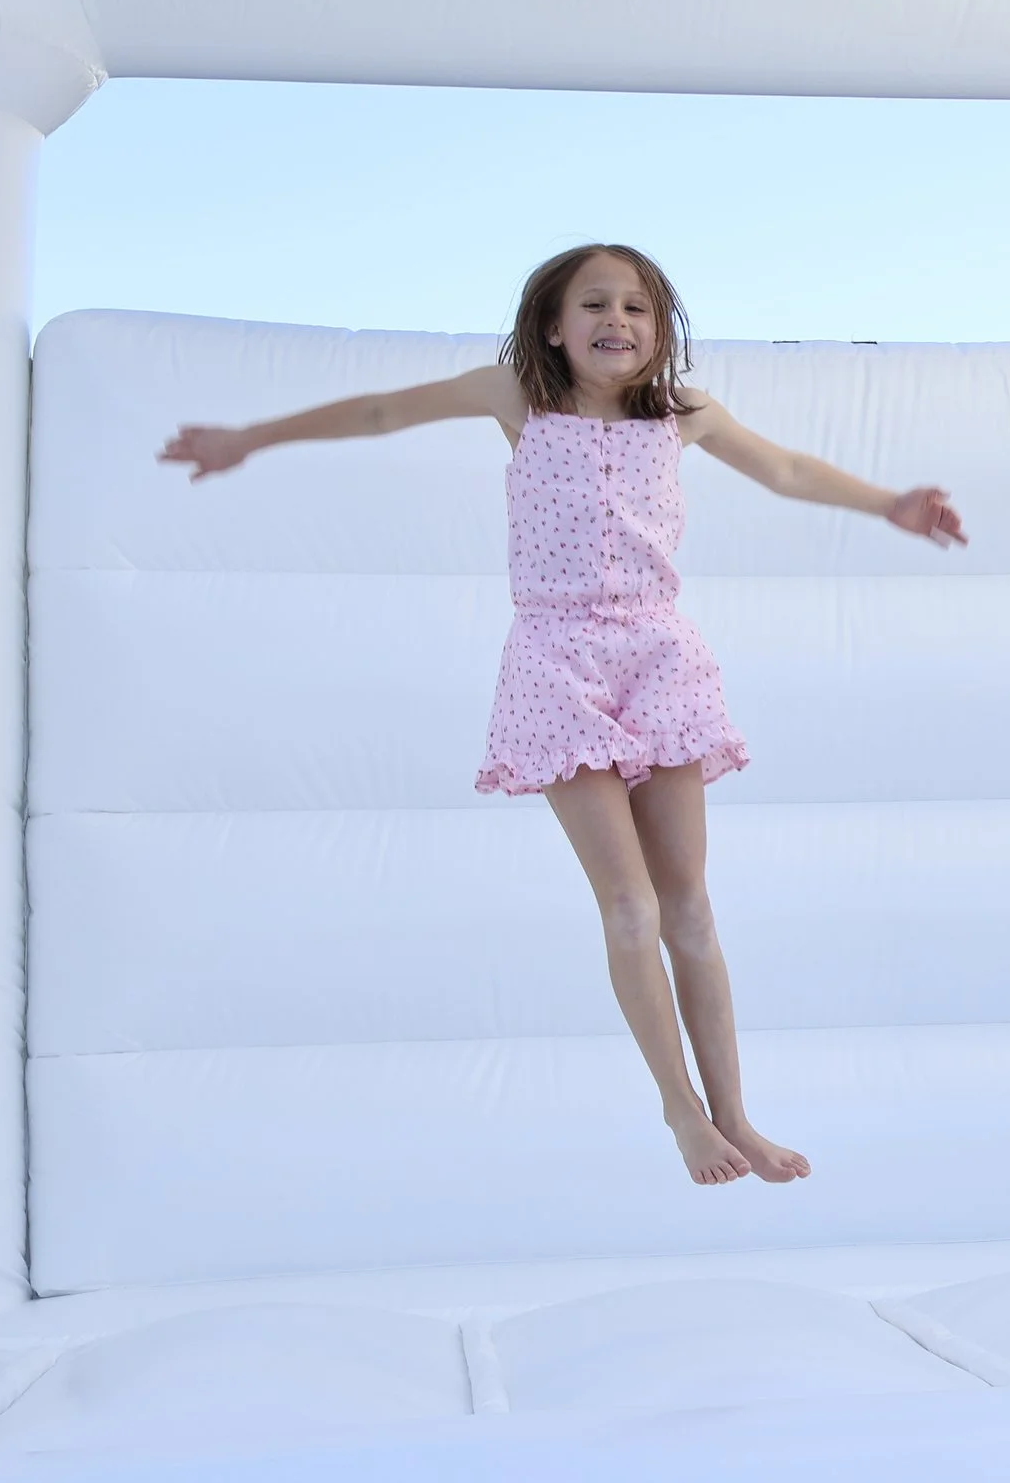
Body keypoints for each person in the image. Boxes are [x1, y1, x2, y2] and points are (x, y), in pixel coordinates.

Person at [158, 243, 967, 1186]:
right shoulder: (520, 400)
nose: (616, 320)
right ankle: (682, 1112)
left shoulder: (683, 415)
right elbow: (383, 412)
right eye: (594, 304)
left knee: (690, 907)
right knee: (628, 904)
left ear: (660, 331)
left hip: (660, 654)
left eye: (636, 307)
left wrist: (890, 504)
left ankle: (737, 1113)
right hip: (558, 658)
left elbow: (784, 468)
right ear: (554, 323)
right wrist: (252, 437)